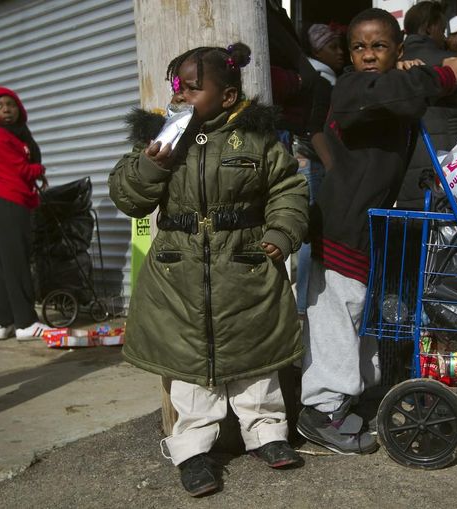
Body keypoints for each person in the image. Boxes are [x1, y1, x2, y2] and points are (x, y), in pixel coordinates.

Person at [108, 42, 309, 496]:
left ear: (228, 97)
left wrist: (280, 235)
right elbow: (129, 196)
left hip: (246, 266)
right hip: (177, 275)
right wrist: (150, 165)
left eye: (193, 89)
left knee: (256, 363)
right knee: (189, 368)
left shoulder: (257, 140)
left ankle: (268, 435)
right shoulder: (159, 137)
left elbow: (288, 190)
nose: (180, 97)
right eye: (177, 88)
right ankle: (193, 452)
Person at [297, 7, 457, 454]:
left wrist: (415, 73)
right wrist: (443, 76)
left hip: (363, 227)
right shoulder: (352, 90)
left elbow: (397, 95)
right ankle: (321, 412)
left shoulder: (386, 83)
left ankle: (348, 396)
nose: (368, 55)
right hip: (341, 227)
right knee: (337, 317)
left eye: (379, 47)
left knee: (357, 315)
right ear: (349, 56)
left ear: (398, 49)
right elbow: (386, 96)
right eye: (359, 47)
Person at [397, 1, 457, 209]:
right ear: (430, 27)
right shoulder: (454, 62)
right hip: (448, 160)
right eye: (442, 29)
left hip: (403, 163)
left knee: (411, 227)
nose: (444, 35)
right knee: (445, 229)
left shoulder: (393, 66)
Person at [0, 87, 50, 341]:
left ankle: (2, 323)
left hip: (14, 203)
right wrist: (39, 169)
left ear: (19, 108)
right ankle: (25, 323)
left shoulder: (19, 134)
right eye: (0, 106)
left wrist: (35, 171)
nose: (6, 110)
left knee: (5, 265)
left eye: (10, 105)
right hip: (9, 205)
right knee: (18, 264)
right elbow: (21, 169)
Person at [293, 22, 345, 315]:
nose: (341, 53)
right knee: (312, 235)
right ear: (317, 49)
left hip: (306, 161)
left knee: (308, 234)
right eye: (333, 47)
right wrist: (332, 165)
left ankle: (305, 303)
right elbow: (314, 127)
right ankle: (306, 305)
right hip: (312, 163)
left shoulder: (310, 77)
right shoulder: (321, 81)